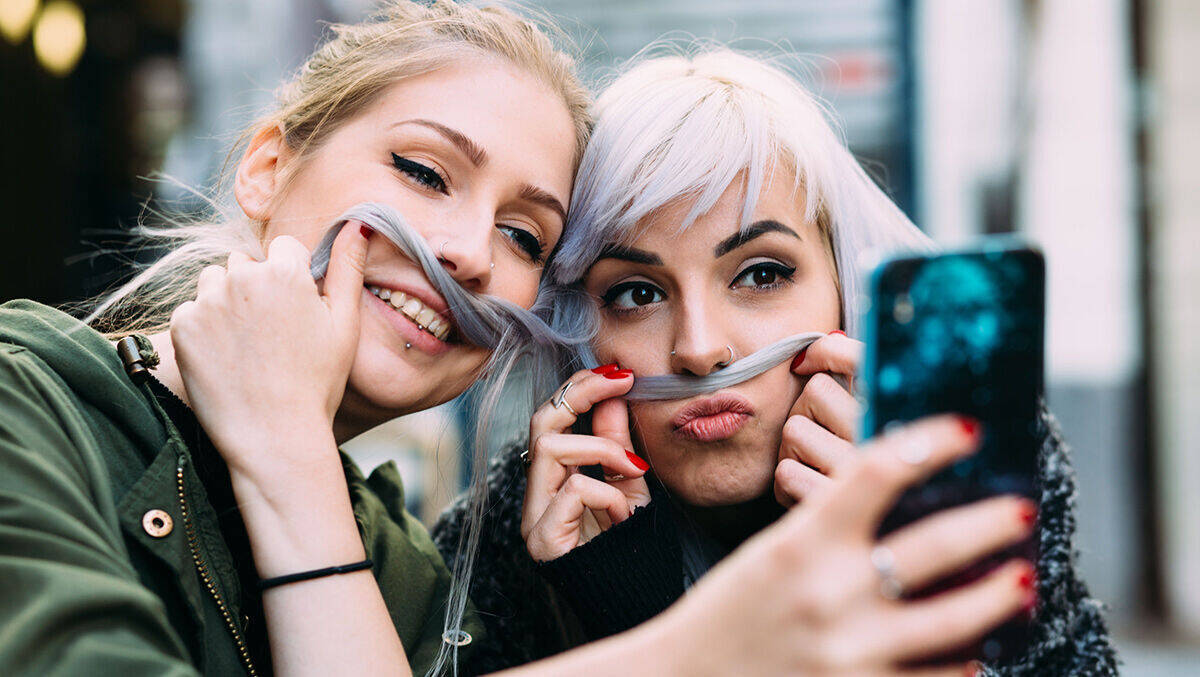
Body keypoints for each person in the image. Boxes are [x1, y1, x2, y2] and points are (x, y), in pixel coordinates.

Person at [434, 49, 1120, 675]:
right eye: (637, 293)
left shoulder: (981, 491)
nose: (701, 349)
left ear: (845, 294)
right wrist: (633, 623)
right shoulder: (491, 559)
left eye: (761, 275)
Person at [0, 2, 588, 674]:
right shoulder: (23, 407)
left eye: (524, 236)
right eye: (424, 171)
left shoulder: (416, 583)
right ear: (268, 167)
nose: (474, 254)